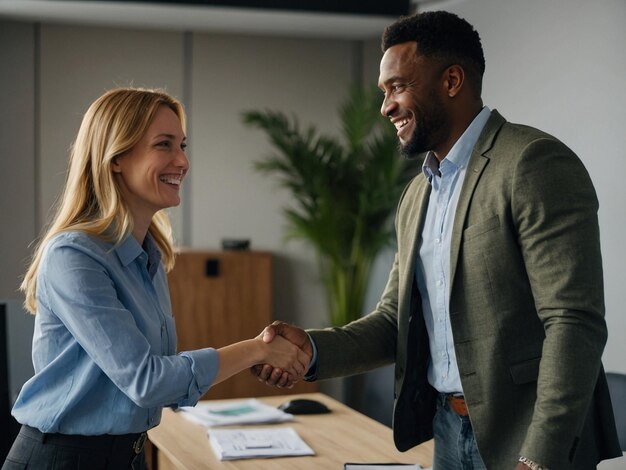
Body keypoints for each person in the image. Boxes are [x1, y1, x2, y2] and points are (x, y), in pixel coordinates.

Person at [253, 11, 622, 470]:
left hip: (526, 438)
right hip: (449, 430)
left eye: (397, 87)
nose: (386, 106)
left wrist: (539, 458)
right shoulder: (416, 194)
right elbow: (396, 320)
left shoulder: (532, 163)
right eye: (383, 92)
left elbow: (573, 322)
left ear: (451, 80)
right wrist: (312, 349)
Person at [3, 87, 309, 470]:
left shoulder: (149, 256)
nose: (182, 160)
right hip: (63, 459)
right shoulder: (74, 255)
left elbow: (158, 380)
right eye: (164, 145)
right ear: (115, 158)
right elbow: (148, 382)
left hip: (129, 455)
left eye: (183, 145)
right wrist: (258, 349)